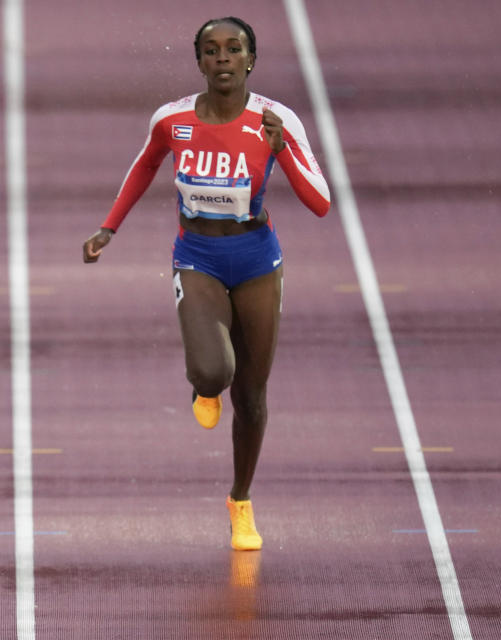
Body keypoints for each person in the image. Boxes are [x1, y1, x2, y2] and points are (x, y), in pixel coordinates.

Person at [82, 17, 330, 551]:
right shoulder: (173, 120)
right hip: (196, 256)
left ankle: (240, 500)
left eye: (233, 49)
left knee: (253, 396)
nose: (222, 58)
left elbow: (320, 202)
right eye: (211, 50)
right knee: (215, 371)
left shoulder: (274, 118)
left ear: (250, 60)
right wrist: (109, 227)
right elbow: (143, 167)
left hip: (258, 259)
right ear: (199, 61)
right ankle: (204, 382)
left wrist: (281, 146)